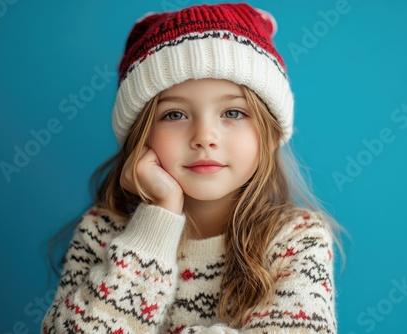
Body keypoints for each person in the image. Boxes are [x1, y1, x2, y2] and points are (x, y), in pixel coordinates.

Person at [42, 3, 343, 333]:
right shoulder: (103, 232)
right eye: (174, 115)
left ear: (269, 135)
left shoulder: (296, 240)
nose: (204, 138)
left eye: (233, 113)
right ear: (139, 137)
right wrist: (157, 221)